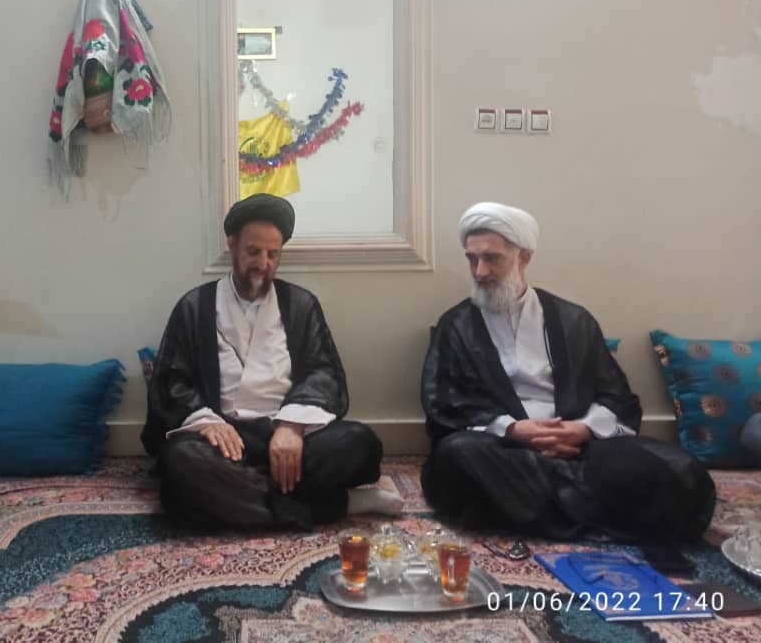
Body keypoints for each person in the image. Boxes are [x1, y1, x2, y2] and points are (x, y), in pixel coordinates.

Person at [420, 201, 715, 541]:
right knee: (457, 456)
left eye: (492, 258)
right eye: (472, 259)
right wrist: (513, 429)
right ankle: (599, 506)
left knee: (682, 470)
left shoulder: (574, 320)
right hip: (500, 446)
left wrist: (581, 430)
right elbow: (443, 405)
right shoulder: (456, 325)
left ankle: (537, 504)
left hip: (579, 449)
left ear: (524, 257)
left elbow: (618, 398)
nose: (479, 271)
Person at [141, 193, 400, 529]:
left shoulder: (301, 305)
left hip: (291, 435)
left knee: (358, 443)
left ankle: (238, 499)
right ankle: (337, 504)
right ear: (232, 245)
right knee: (182, 461)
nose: (263, 263)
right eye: (253, 251)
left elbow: (325, 373)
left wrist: (292, 425)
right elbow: (171, 382)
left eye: (272, 254)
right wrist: (206, 422)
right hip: (225, 439)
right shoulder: (194, 306)